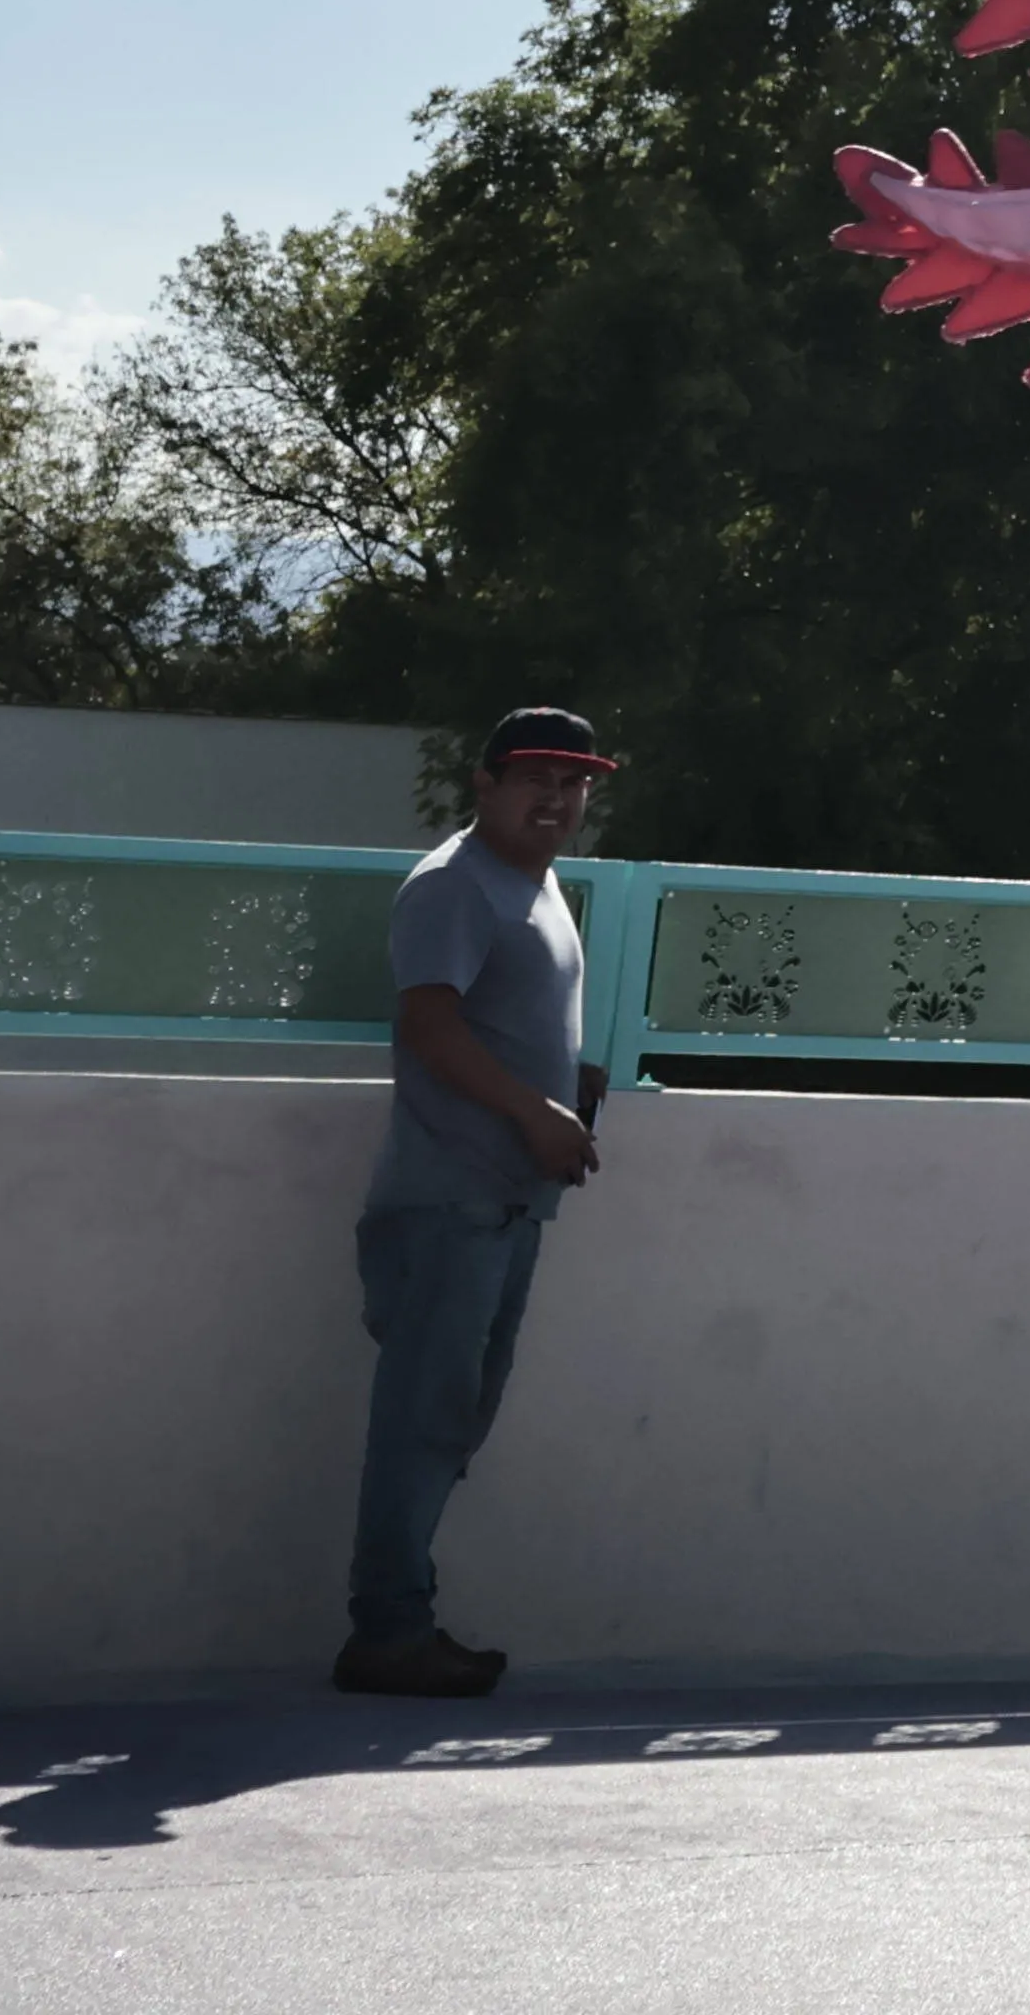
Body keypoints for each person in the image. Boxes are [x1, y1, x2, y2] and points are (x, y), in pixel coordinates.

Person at [338, 707, 619, 1699]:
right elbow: (428, 1022)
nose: (557, 797)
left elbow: (497, 1017)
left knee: (452, 1415)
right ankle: (388, 1630)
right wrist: (531, 1110)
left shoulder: (530, 884)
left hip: (501, 1201)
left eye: (575, 781)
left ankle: (399, 1618)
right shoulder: (456, 883)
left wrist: (565, 1083)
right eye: (537, 776)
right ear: (485, 781)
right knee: (424, 1417)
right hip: (451, 1198)